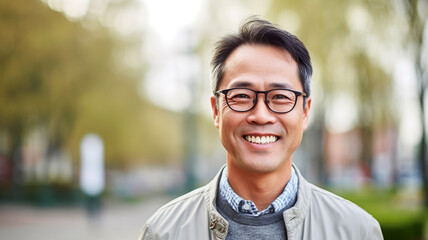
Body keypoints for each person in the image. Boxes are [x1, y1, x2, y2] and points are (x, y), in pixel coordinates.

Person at [138, 16, 383, 240]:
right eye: (242, 96)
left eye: (280, 97)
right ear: (216, 110)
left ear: (305, 111)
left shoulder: (356, 231)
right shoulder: (163, 232)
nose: (261, 115)